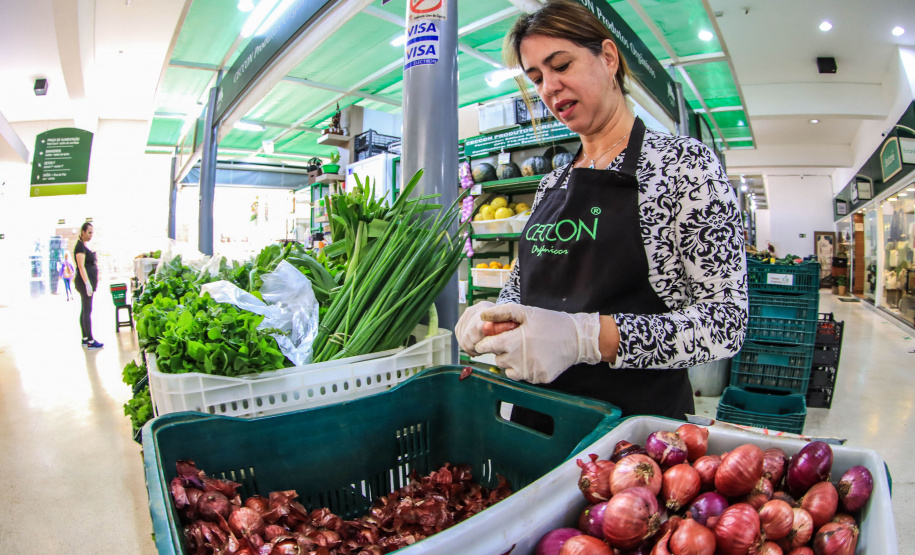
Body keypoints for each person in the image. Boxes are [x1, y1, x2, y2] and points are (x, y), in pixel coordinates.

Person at [455, 0, 747, 422]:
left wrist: (587, 338)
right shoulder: (550, 184)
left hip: (636, 440)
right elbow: (521, 291)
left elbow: (724, 322)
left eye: (561, 65)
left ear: (608, 58)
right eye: (536, 77)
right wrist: (492, 317)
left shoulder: (683, 165)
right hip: (538, 421)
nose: (549, 87)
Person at [74, 222, 103, 350]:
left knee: (85, 309)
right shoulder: (79, 247)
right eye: (89, 232)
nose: (91, 235)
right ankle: (90, 340)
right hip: (84, 283)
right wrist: (87, 283)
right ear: (83, 232)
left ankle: (85, 338)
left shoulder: (83, 246)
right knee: (87, 310)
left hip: (86, 282)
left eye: (92, 233)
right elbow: (81, 266)